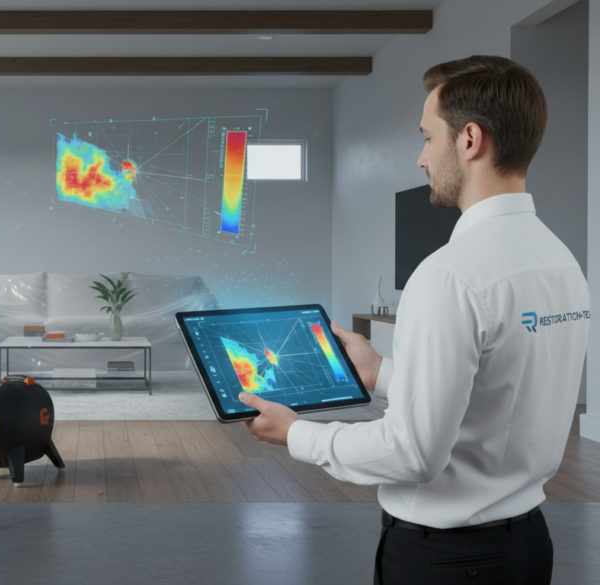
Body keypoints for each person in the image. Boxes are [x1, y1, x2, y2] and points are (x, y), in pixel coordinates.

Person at [238, 55, 590, 585]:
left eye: (427, 138)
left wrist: (297, 434)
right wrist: (379, 371)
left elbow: (412, 453)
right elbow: (496, 394)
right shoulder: (562, 262)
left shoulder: (449, 274)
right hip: (528, 547)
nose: (421, 159)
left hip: (447, 562)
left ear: (469, 140)